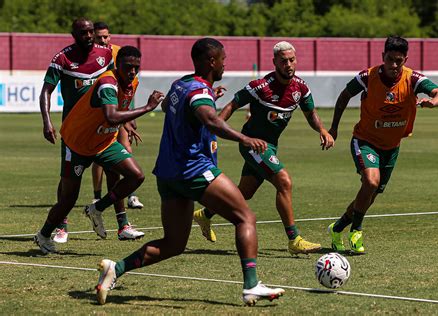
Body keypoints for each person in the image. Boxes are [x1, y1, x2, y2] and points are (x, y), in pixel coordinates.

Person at [95, 38, 285, 306]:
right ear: (211, 61)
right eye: (222, 59)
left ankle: (116, 268)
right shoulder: (199, 92)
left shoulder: (181, 84)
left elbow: (171, 108)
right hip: (194, 169)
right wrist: (244, 139)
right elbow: (208, 118)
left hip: (168, 174)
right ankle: (252, 285)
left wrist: (209, 100)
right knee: (246, 217)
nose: (224, 63)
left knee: (173, 244)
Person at [193, 41, 334, 255]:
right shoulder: (260, 87)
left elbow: (310, 113)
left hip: (271, 147)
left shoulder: (301, 88)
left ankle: (206, 213)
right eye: (284, 61)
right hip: (252, 144)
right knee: (284, 181)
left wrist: (322, 130)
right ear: (274, 62)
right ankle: (294, 239)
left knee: (244, 193)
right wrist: (216, 129)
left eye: (292, 60)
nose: (288, 64)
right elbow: (232, 105)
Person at [34, 46, 164, 254]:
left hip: (104, 142)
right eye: (128, 67)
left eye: (136, 67)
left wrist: (126, 121)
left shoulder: (133, 82)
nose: (132, 71)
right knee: (68, 199)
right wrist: (147, 108)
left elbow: (119, 109)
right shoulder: (107, 82)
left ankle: (97, 208)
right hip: (77, 143)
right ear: (117, 65)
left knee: (136, 176)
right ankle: (43, 235)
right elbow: (111, 116)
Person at [327, 36, 438, 254]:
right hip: (365, 141)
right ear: (383, 56)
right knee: (371, 182)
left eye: (399, 61)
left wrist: (433, 101)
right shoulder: (367, 76)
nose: (394, 65)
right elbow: (344, 95)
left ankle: (337, 228)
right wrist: (334, 128)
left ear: (405, 59)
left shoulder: (413, 79)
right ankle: (356, 230)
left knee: (370, 194)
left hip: (391, 147)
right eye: (390, 59)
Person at [39, 18, 115, 244]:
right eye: (84, 32)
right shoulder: (62, 58)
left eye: (91, 31)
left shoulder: (106, 54)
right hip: (75, 132)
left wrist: (124, 118)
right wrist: (47, 121)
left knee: (130, 173)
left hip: (102, 128)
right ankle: (60, 226)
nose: (89, 36)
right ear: (74, 34)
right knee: (69, 182)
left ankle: (117, 220)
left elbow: (113, 85)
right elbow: (46, 91)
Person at [92, 21, 144, 210]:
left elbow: (128, 89)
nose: (104, 40)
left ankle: (130, 195)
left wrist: (129, 118)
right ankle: (97, 197)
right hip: (100, 114)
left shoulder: (118, 53)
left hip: (117, 112)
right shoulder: (91, 57)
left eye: (106, 36)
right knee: (100, 160)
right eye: (99, 37)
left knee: (126, 150)